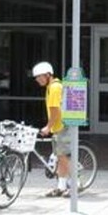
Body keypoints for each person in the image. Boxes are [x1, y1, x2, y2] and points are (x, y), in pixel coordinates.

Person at [32, 61, 71, 197]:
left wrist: (48, 127)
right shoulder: (51, 87)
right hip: (58, 126)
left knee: (63, 156)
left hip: (61, 126)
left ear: (48, 75)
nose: (37, 80)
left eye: (39, 77)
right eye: (36, 78)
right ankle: (61, 186)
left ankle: (75, 185)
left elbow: (55, 110)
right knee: (60, 157)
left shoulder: (54, 88)